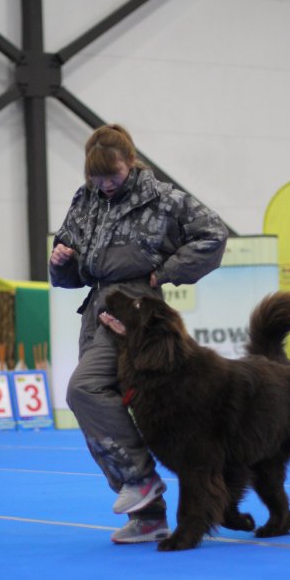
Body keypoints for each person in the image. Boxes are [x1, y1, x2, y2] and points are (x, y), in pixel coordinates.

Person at [49, 124, 228, 544]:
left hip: (137, 314)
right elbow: (73, 268)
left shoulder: (165, 200)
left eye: (112, 175)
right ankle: (149, 517)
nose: (105, 186)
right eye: (96, 178)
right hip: (97, 311)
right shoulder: (85, 199)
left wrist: (165, 272)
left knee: (84, 389)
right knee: (101, 407)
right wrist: (60, 261)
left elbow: (214, 234)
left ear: (130, 162)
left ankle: (141, 480)